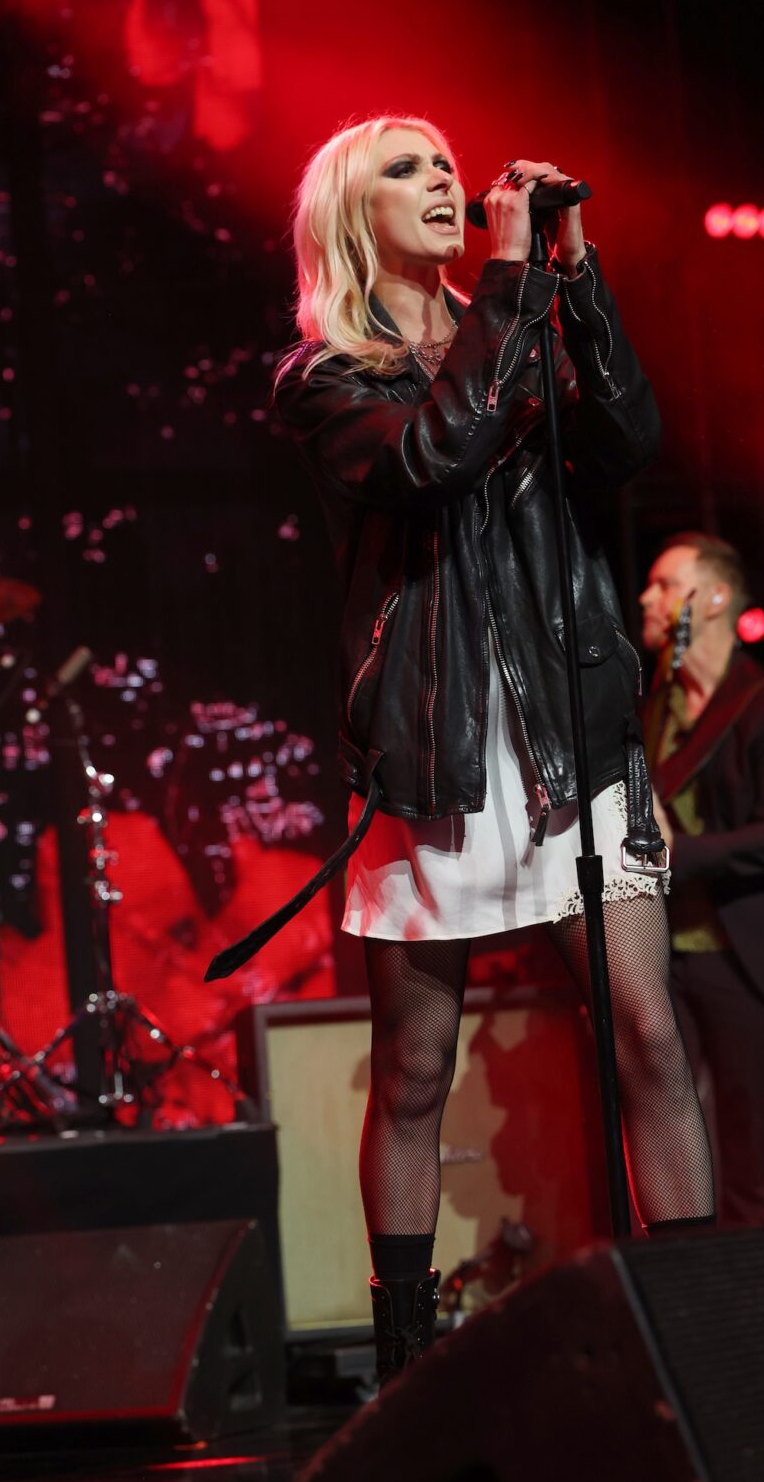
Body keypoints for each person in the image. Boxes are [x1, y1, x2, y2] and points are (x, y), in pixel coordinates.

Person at [254, 116, 714, 1384]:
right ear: (354, 215)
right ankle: (406, 1362)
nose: (445, 181)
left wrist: (572, 270)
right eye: (407, 169)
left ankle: (697, 1330)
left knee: (650, 1034)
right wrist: (510, 293)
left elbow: (626, 444)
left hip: (573, 738)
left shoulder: (514, 331)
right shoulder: (323, 378)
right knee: (412, 1068)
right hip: (434, 761)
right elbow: (429, 457)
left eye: (447, 163)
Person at [639, 533, 764, 1226]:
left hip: (743, 960)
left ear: (714, 597)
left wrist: (678, 853)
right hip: (663, 960)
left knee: (751, 1161)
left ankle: (758, 1323)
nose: (647, 597)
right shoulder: (653, 709)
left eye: (665, 584)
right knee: (663, 1143)